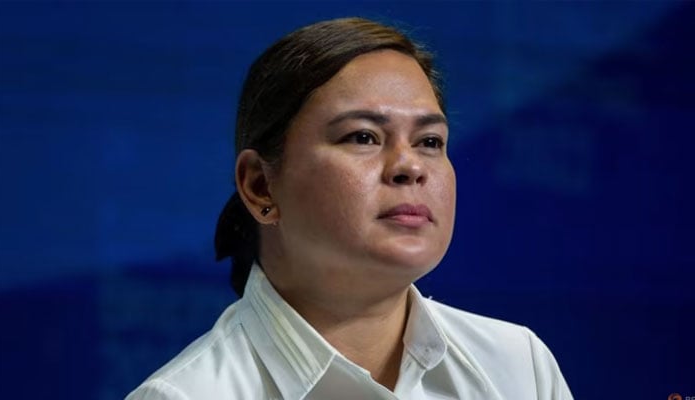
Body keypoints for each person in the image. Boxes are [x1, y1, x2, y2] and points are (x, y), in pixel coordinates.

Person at [126, 17, 573, 400]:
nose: (410, 166)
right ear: (260, 187)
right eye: (362, 137)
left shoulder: (517, 369)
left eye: (430, 141)